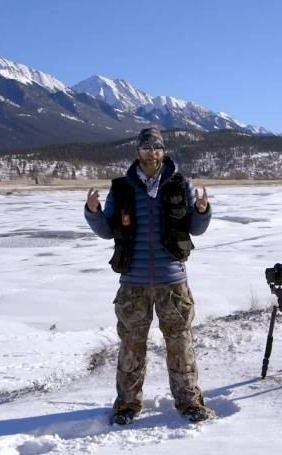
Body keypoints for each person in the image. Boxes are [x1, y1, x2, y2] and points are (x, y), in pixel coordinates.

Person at [84, 127, 214, 425]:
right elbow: (107, 230)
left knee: (180, 344)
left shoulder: (181, 184)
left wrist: (203, 210)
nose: (152, 152)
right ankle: (127, 405)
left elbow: (195, 228)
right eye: (146, 147)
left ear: (163, 150)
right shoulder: (121, 188)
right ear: (137, 151)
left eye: (157, 147)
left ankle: (189, 402)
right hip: (133, 283)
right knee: (131, 345)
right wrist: (93, 212)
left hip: (173, 281)